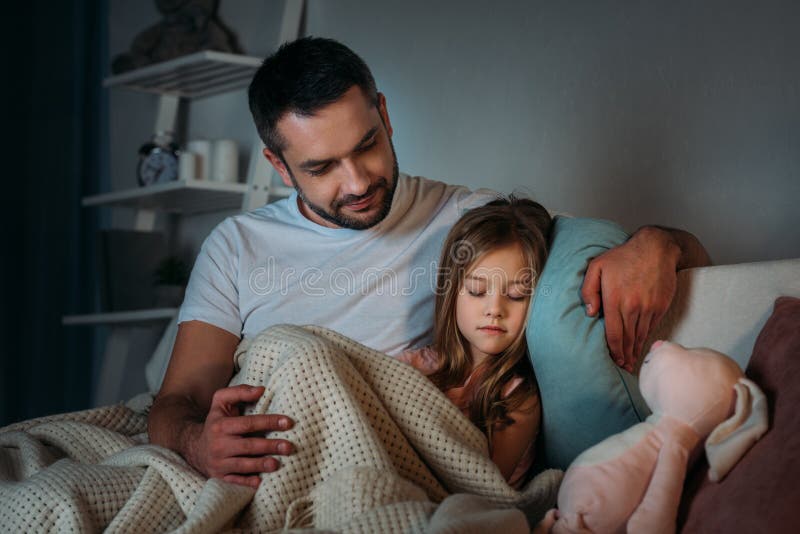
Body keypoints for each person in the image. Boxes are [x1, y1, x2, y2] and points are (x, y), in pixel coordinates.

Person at [147, 37, 711, 488]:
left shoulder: (468, 218)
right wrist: (200, 443)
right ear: (278, 164)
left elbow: (681, 257)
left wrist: (660, 244)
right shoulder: (237, 244)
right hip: (270, 459)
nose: (359, 181)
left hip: (385, 463)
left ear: (385, 116)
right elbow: (176, 403)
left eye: (366, 144)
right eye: (322, 168)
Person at [398, 196, 551, 489]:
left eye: (517, 295)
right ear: (452, 294)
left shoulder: (517, 398)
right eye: (477, 291)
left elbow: (482, 488)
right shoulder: (419, 365)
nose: (495, 309)